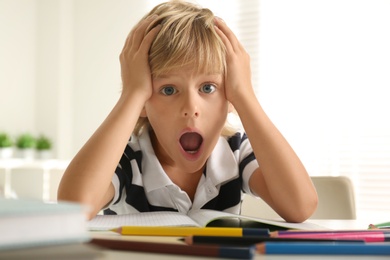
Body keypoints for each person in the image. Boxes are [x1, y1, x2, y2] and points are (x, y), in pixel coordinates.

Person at [57, 0, 318, 222]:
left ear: (229, 98)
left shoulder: (236, 153)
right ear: (144, 102)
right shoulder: (127, 160)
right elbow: (73, 207)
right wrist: (132, 94)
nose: (191, 108)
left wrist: (245, 96)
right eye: (169, 90)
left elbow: (301, 206)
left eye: (208, 87)